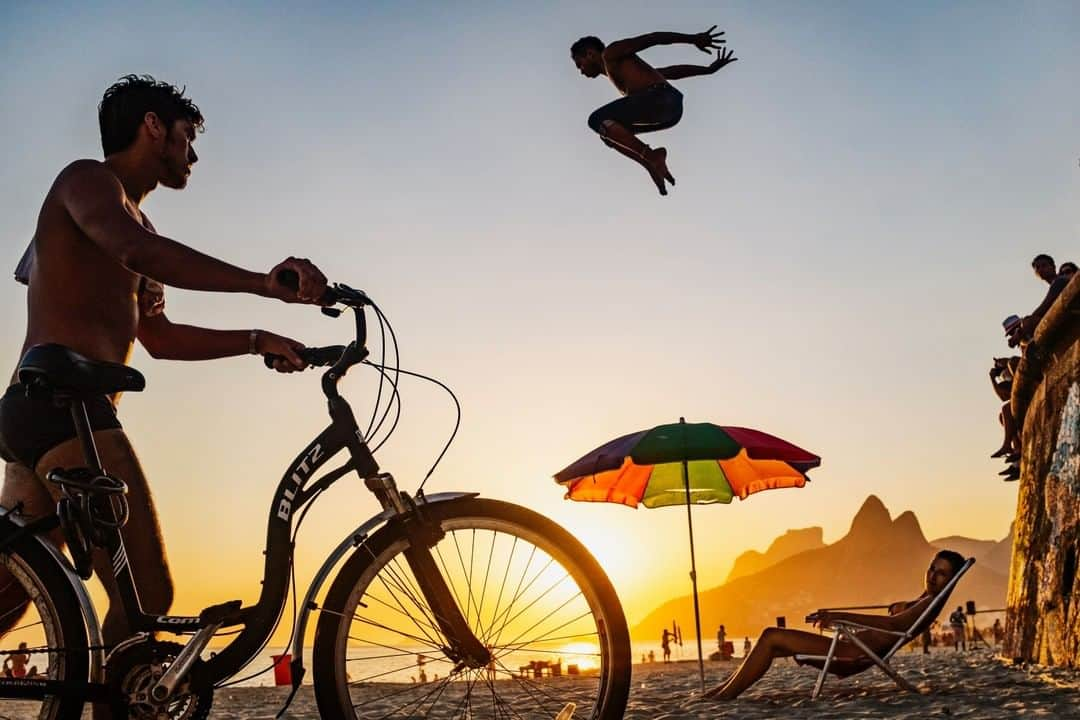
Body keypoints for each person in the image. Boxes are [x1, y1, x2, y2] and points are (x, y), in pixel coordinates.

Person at [0, 75, 327, 665]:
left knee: (11, 595)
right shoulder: (87, 182)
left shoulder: (139, 226)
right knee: (147, 594)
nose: (193, 155)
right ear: (153, 126)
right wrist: (262, 284)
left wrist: (256, 340)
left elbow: (159, 338)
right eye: (186, 136)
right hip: (63, 409)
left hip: (43, 415)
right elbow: (137, 253)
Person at [703, 550, 967, 700]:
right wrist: (904, 605)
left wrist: (837, 615)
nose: (932, 576)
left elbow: (891, 623)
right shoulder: (927, 599)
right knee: (771, 643)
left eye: (941, 573)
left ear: (951, 579)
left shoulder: (930, 602)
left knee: (772, 636)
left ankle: (724, 695)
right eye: (932, 568)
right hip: (851, 648)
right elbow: (900, 617)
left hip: (851, 655)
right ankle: (722, 691)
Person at [570, 26, 737, 196]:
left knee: (596, 119)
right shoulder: (626, 71)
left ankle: (650, 156)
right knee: (607, 133)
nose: (581, 71)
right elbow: (669, 72)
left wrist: (693, 39)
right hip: (671, 113)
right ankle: (650, 161)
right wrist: (707, 70)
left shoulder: (611, 53)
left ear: (590, 54)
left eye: (579, 65)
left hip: (660, 98)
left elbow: (652, 38)